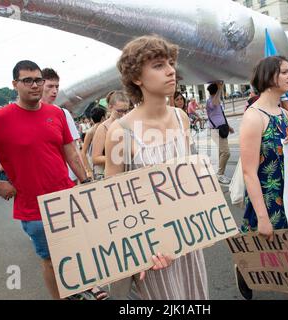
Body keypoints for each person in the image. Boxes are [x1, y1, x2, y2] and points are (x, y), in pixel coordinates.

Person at [0, 60, 93, 300]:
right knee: (50, 261)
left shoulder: (56, 113)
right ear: (15, 84)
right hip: (33, 208)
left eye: (38, 79)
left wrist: (87, 182)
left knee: (78, 252)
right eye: (27, 80)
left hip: (67, 199)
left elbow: (70, 151)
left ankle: (81, 290)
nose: (35, 85)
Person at [105, 35, 208, 300]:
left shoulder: (181, 118)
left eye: (171, 63)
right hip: (153, 251)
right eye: (159, 65)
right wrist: (140, 251)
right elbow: (112, 201)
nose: (171, 70)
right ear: (137, 78)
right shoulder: (120, 132)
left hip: (189, 239)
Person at [237, 56, 288, 300]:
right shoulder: (254, 117)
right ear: (269, 77)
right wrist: (263, 217)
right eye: (284, 72)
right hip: (266, 199)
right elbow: (248, 172)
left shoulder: (285, 114)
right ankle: (244, 269)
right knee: (274, 255)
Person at [41, 68, 82, 183]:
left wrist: (84, 177)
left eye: (57, 87)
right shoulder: (29, 115)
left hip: (70, 176)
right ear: (39, 86)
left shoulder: (63, 113)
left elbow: (74, 148)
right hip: (46, 179)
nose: (54, 91)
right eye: (50, 86)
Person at [91, 91, 129, 180]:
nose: (123, 114)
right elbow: (95, 158)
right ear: (110, 107)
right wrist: (117, 158)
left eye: (125, 111)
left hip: (128, 172)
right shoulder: (103, 128)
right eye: (119, 111)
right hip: (110, 175)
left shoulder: (128, 124)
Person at [206, 82, 234, 185]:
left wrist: (228, 126)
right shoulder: (210, 102)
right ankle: (220, 174)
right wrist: (220, 88)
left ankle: (219, 173)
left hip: (221, 129)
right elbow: (215, 102)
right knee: (226, 152)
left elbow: (221, 115)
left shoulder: (217, 102)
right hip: (215, 130)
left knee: (221, 152)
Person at [81, 106, 107, 180]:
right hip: (101, 166)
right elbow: (83, 152)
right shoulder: (104, 129)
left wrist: (89, 170)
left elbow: (83, 152)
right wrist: (89, 170)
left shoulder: (90, 131)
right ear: (103, 118)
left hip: (98, 168)